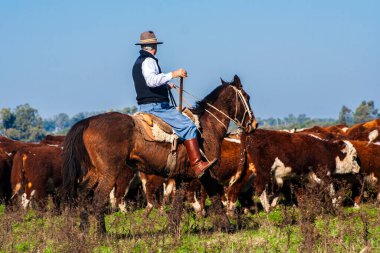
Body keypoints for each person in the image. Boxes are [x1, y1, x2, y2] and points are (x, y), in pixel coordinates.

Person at [132, 31, 216, 178]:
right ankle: (197, 165)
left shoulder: (138, 61)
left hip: (145, 105)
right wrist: (174, 74)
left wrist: (166, 85)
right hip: (156, 107)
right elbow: (151, 81)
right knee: (188, 126)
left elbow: (150, 84)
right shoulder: (149, 61)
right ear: (154, 46)